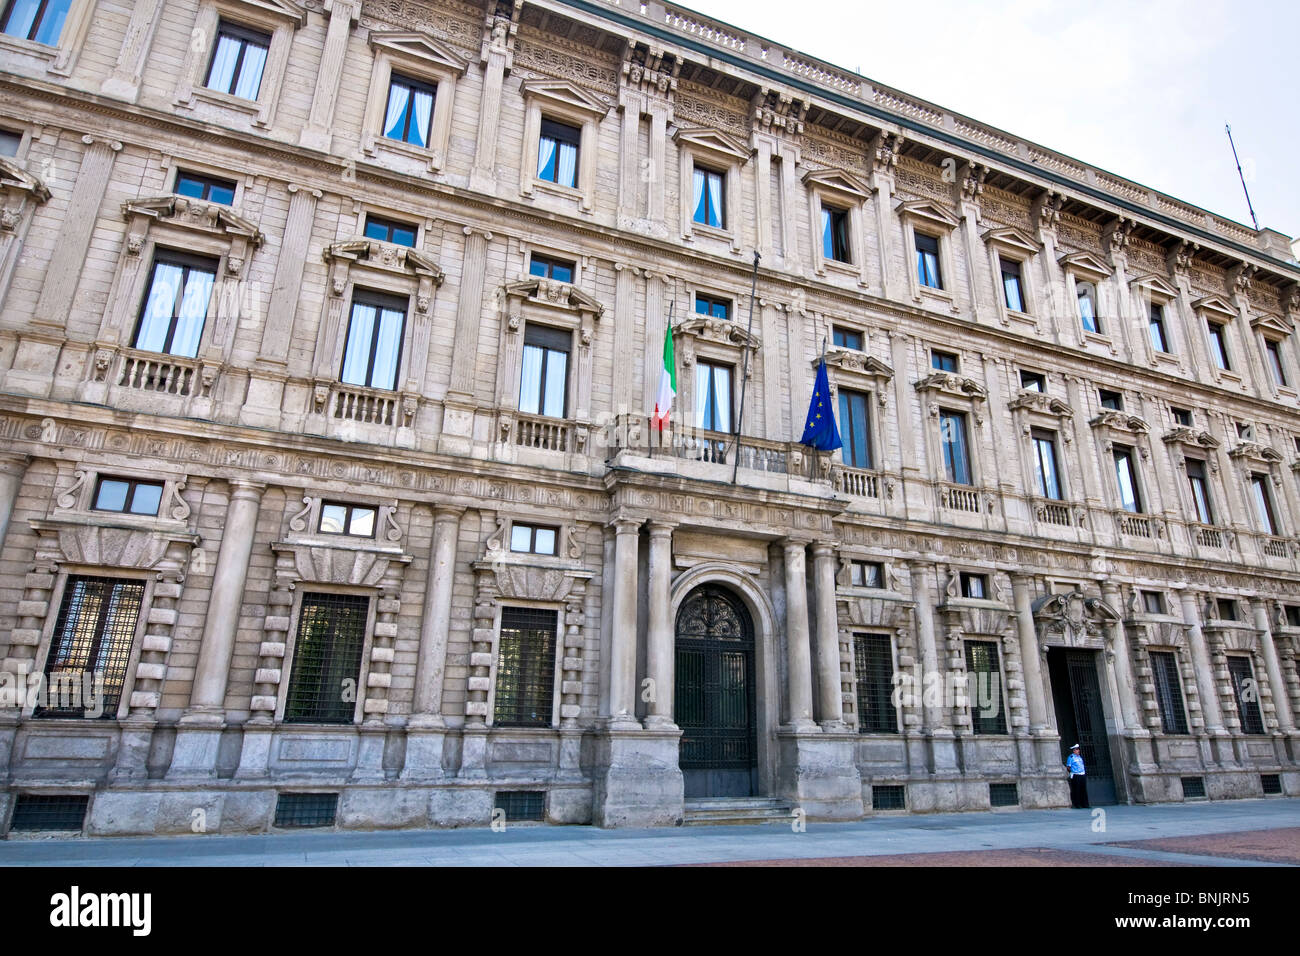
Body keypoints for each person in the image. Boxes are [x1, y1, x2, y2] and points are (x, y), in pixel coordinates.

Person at [1066, 744, 1089, 809]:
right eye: (1077, 749)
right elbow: (1068, 767)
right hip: (1076, 775)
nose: (1078, 750)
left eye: (1078, 749)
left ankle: (1085, 804)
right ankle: (1077, 804)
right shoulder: (1071, 757)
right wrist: (1073, 772)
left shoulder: (1079, 757)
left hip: (1082, 774)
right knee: (1076, 790)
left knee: (1083, 790)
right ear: (1074, 750)